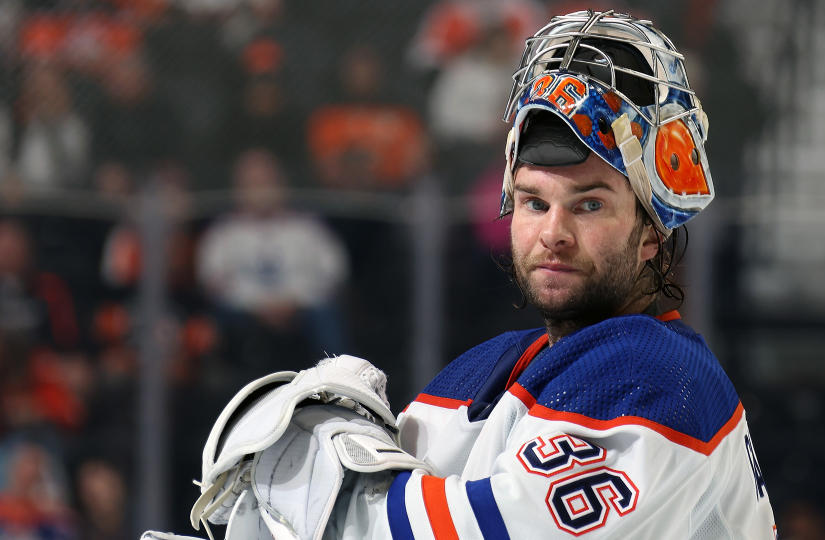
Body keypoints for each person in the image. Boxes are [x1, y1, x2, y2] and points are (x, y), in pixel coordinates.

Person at [144, 11, 776, 539]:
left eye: (589, 204)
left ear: (652, 231)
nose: (552, 231)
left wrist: (326, 495)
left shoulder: (655, 376)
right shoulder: (494, 368)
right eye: (534, 202)